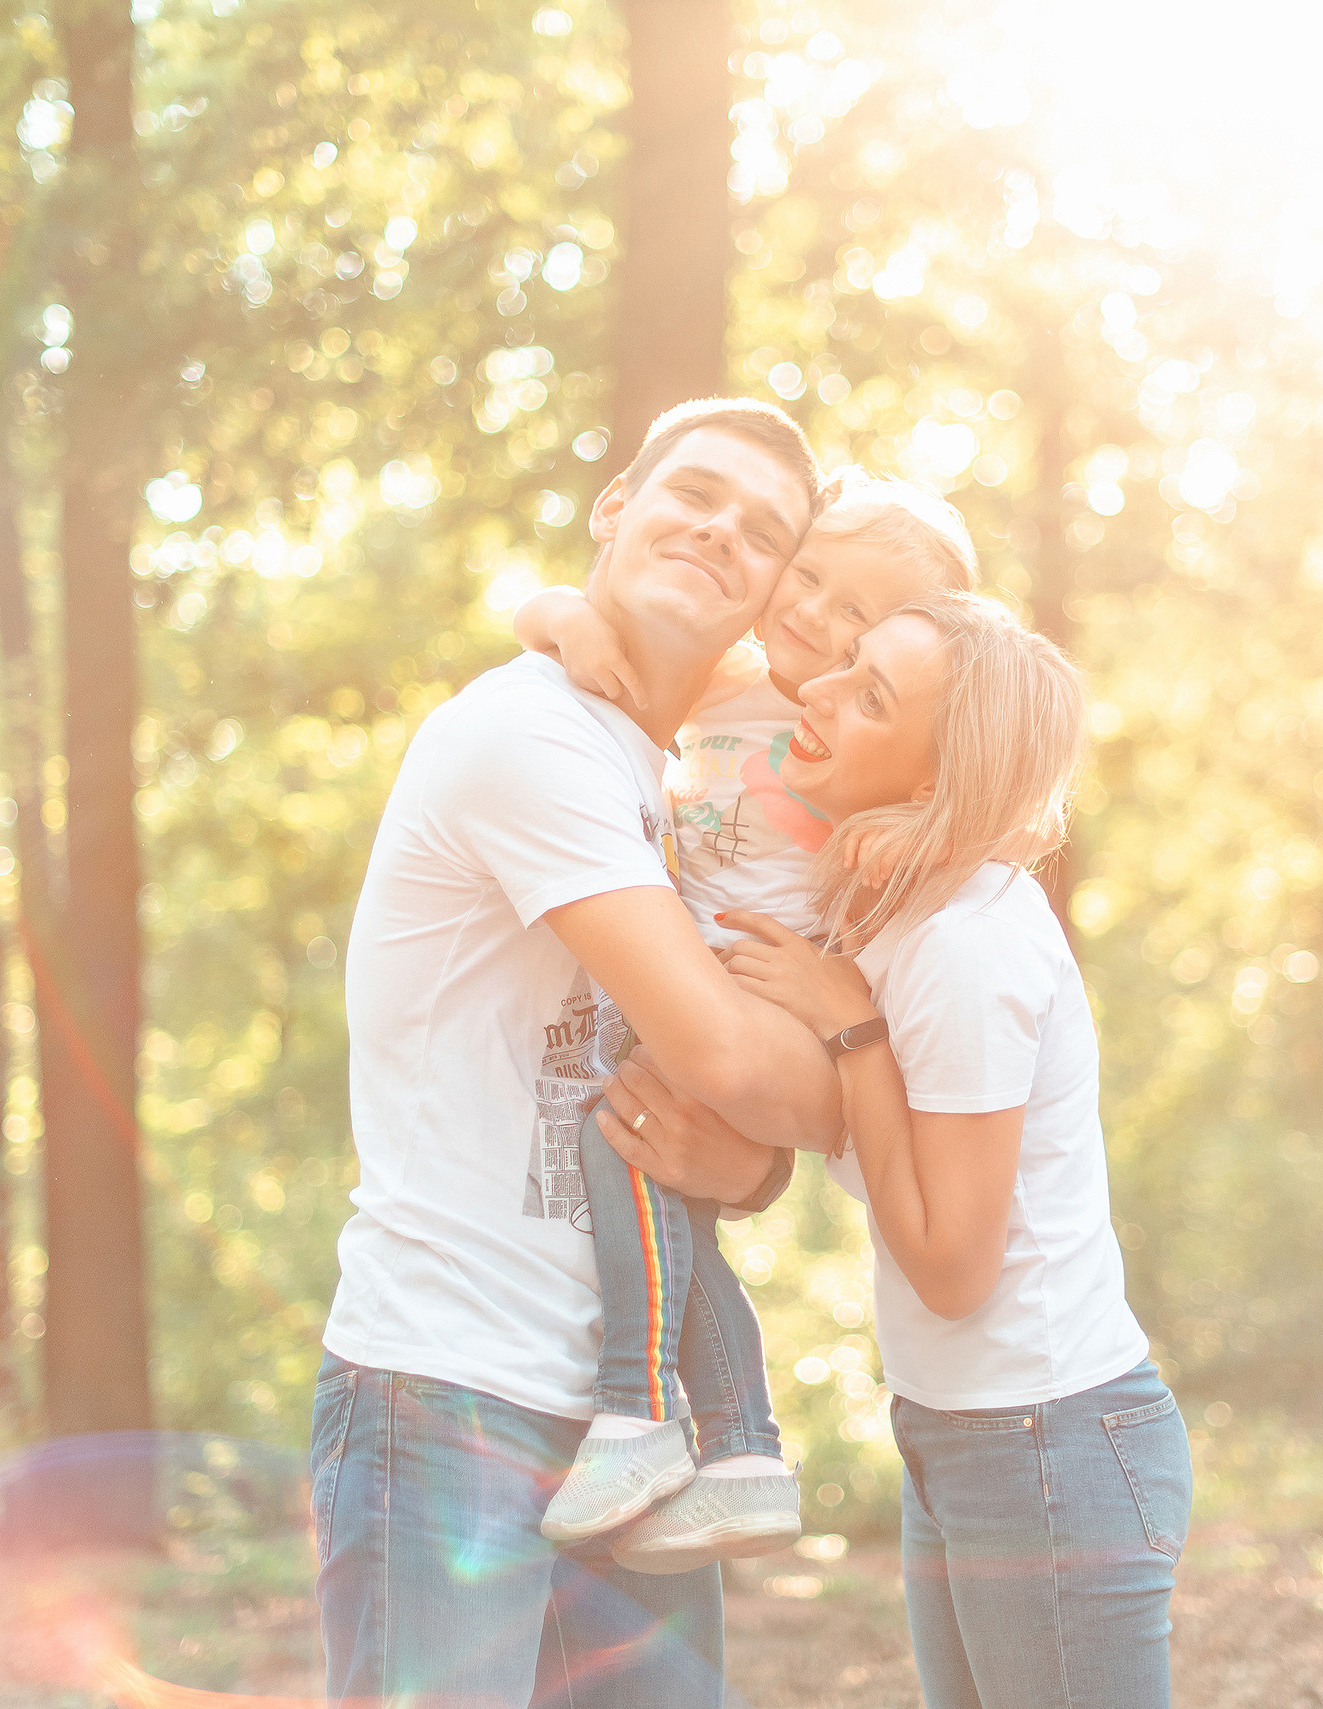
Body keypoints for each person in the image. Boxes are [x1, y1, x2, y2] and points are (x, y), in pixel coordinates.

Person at [311, 398, 845, 1709]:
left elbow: (710, 1118)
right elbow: (721, 1052)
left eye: (762, 531)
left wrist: (756, 1159)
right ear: (617, 506)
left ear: (772, 588)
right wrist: (873, 1080)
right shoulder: (528, 735)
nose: (720, 533)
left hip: (632, 1418)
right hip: (452, 1391)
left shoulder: (688, 772)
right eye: (694, 495)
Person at [623, 591, 1192, 1709]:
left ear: (935, 780)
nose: (820, 690)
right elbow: (860, 1140)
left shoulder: (962, 946)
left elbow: (953, 1265)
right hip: (965, 1431)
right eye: (844, 662)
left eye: (872, 696)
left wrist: (856, 1035)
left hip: (1045, 1442)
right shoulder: (895, 920)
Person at [512, 474, 979, 1572]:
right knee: (660, 1187)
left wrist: (903, 837)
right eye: (807, 576)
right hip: (691, 975)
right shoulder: (725, 679)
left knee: (615, 1138)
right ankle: (742, 1450)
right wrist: (568, 617)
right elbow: (544, 615)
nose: (811, 612)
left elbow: (960, 794)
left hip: (762, 988)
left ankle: (641, 1407)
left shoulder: (856, 732)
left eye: (854, 613)